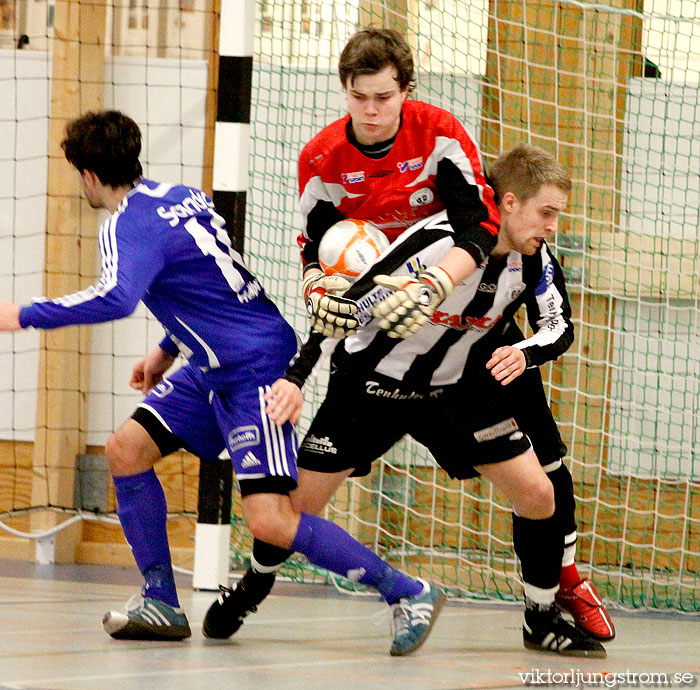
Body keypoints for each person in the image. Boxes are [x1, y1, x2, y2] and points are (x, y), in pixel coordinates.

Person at [0, 110, 447, 654]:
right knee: (125, 450)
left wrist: (21, 314)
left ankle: (407, 591)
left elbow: (115, 298)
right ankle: (161, 601)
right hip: (214, 362)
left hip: (251, 368)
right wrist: (168, 348)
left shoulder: (124, 224)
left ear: (89, 174)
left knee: (272, 520)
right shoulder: (182, 195)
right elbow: (203, 280)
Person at [204, 144, 612, 657]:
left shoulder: (534, 264)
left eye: (557, 216)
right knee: (295, 510)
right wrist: (297, 376)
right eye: (546, 213)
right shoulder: (440, 243)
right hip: (372, 386)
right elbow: (346, 307)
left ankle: (540, 617)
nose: (552, 226)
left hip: (453, 392)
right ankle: (252, 587)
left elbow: (559, 329)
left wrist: (524, 353)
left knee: (539, 494)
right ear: (508, 203)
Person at [297, 27, 499, 342]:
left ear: (405, 90)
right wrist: (314, 288)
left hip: (447, 287)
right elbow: (315, 242)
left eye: (384, 97)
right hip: (371, 297)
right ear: (344, 90)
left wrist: (434, 285)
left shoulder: (441, 134)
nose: (370, 110)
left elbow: (481, 225)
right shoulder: (319, 159)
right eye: (358, 97)